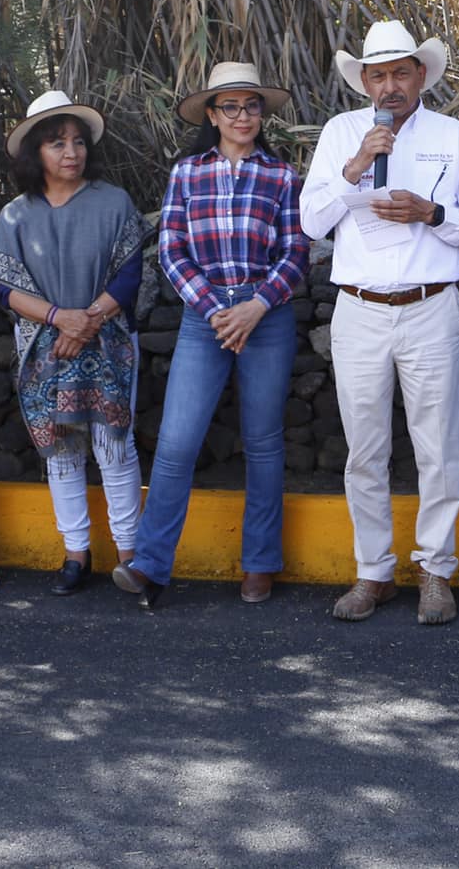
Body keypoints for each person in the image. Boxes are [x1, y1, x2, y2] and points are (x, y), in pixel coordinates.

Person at [301, 20, 459, 625]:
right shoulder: (341, 134)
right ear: (364, 80)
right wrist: (357, 164)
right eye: (378, 74)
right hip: (359, 307)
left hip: (431, 305)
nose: (390, 86)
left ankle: (435, 572)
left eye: (400, 73)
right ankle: (373, 573)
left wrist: (432, 212)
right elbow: (312, 222)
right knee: (364, 449)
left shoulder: (454, 136)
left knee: (436, 446)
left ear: (421, 75)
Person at [116, 63, 308, 609]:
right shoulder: (187, 173)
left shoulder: (281, 175)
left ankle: (260, 564)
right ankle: (151, 565)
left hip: (265, 317)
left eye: (252, 106)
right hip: (206, 321)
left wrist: (255, 306)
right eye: (231, 107)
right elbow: (171, 250)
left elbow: (295, 252)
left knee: (264, 443)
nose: (243, 116)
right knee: (177, 443)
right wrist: (215, 309)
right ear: (211, 115)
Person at [0, 91, 146, 595]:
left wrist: (87, 320)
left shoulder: (113, 202)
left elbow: (130, 273)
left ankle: (132, 555)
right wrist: (60, 320)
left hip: (107, 341)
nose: (71, 152)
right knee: (61, 452)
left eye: (77, 142)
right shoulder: (15, 216)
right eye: (57, 143)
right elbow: (6, 289)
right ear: (36, 153)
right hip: (44, 348)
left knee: (113, 445)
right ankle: (75, 554)